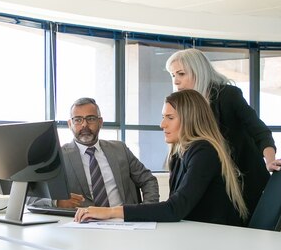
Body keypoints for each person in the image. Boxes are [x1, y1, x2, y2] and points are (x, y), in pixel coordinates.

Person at [75, 89, 248, 225]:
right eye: (163, 117)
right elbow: (175, 206)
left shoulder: (204, 152)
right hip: (195, 234)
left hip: (215, 241)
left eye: (170, 118)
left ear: (190, 119)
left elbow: (175, 209)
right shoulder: (180, 153)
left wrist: (111, 212)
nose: (162, 124)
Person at [165, 48, 281, 220]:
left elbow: (259, 130)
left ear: (198, 72)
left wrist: (270, 160)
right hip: (218, 183)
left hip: (244, 179)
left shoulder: (228, 96)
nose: (176, 81)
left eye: (181, 74)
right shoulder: (188, 107)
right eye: (172, 75)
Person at [33, 97, 159, 209]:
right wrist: (57, 202)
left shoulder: (120, 149)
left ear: (100, 122)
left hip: (123, 221)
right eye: (78, 120)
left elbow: (148, 180)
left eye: (91, 119)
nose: (85, 125)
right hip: (82, 226)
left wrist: (146, 210)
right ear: (70, 124)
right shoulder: (57, 157)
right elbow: (31, 197)